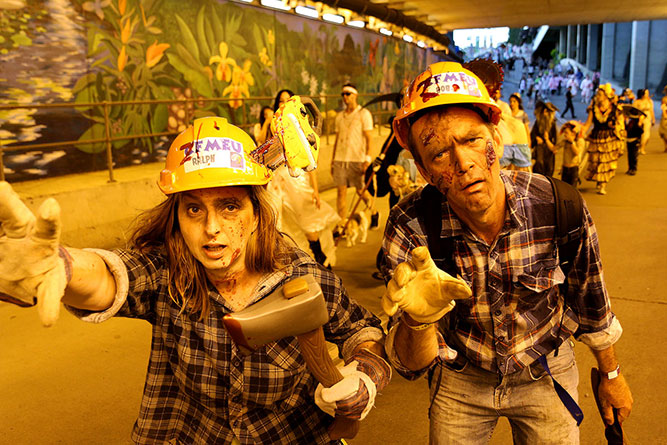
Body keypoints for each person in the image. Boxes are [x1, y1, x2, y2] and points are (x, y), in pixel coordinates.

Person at [0, 117, 391, 444]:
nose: (211, 229)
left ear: (257, 212)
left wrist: (365, 378)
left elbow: (364, 331)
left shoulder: (303, 275)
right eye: (193, 209)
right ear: (177, 218)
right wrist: (63, 265)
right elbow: (110, 277)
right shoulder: (168, 276)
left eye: (230, 206)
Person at [379, 61, 633, 444]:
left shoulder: (555, 204)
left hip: (546, 368)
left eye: (471, 140)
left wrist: (611, 375)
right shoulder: (410, 226)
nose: (464, 163)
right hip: (461, 376)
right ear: (423, 170)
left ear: (495, 139)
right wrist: (419, 321)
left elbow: (591, 299)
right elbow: (411, 365)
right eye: (439, 155)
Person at [265, 89, 340, 269]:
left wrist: (315, 190)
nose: (283, 103)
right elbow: (266, 152)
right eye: (280, 101)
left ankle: (320, 258)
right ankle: (294, 264)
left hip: (296, 180)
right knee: (279, 226)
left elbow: (309, 160)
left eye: (287, 100)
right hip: (277, 182)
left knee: (308, 224)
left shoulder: (299, 125)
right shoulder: (273, 126)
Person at [332, 83, 379, 227]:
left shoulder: (363, 114)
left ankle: (374, 212)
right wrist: (332, 161)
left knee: (360, 191)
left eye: (348, 94)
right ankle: (342, 225)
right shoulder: (339, 117)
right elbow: (336, 140)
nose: (345, 97)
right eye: (343, 94)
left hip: (357, 159)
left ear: (355, 95)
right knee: (341, 192)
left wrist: (367, 159)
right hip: (340, 159)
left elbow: (369, 138)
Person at [581, 84, 626, 195]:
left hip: (609, 138)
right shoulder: (593, 109)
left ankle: (602, 184)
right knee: (596, 161)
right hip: (596, 137)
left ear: (606, 96)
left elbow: (620, 124)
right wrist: (581, 131)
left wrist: (616, 129)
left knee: (605, 161)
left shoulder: (615, 109)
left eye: (600, 94)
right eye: (597, 94)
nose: (598, 96)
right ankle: (599, 180)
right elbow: (588, 124)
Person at [531, 100, 559, 177]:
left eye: (547, 111)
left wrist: (553, 145)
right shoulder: (538, 122)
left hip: (549, 149)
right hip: (540, 148)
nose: (545, 113)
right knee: (539, 165)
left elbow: (556, 138)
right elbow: (532, 134)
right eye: (544, 110)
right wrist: (536, 138)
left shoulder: (552, 124)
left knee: (549, 168)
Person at [558, 120, 585, 186]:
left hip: (573, 169)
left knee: (573, 189)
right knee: (564, 188)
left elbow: (577, 152)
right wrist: (546, 140)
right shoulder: (565, 141)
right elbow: (554, 148)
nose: (564, 135)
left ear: (573, 133)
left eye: (566, 133)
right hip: (565, 168)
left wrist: (572, 142)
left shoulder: (579, 141)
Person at [622, 105, 646, 175]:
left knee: (634, 156)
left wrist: (639, 124)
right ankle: (630, 168)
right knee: (630, 155)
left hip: (635, 140)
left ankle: (633, 168)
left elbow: (641, 132)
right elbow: (626, 128)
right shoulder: (630, 122)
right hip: (629, 140)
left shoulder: (639, 123)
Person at [633, 88, 656, 155]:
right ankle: (640, 147)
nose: (647, 94)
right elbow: (634, 110)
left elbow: (651, 110)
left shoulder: (650, 101)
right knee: (640, 134)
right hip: (639, 118)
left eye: (648, 93)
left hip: (647, 118)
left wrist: (653, 119)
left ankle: (642, 147)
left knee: (646, 135)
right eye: (646, 93)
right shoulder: (637, 101)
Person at [660, 85, 667, 152]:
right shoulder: (664, 99)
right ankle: (666, 145)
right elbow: (663, 107)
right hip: (665, 116)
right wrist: (665, 115)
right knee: (664, 132)